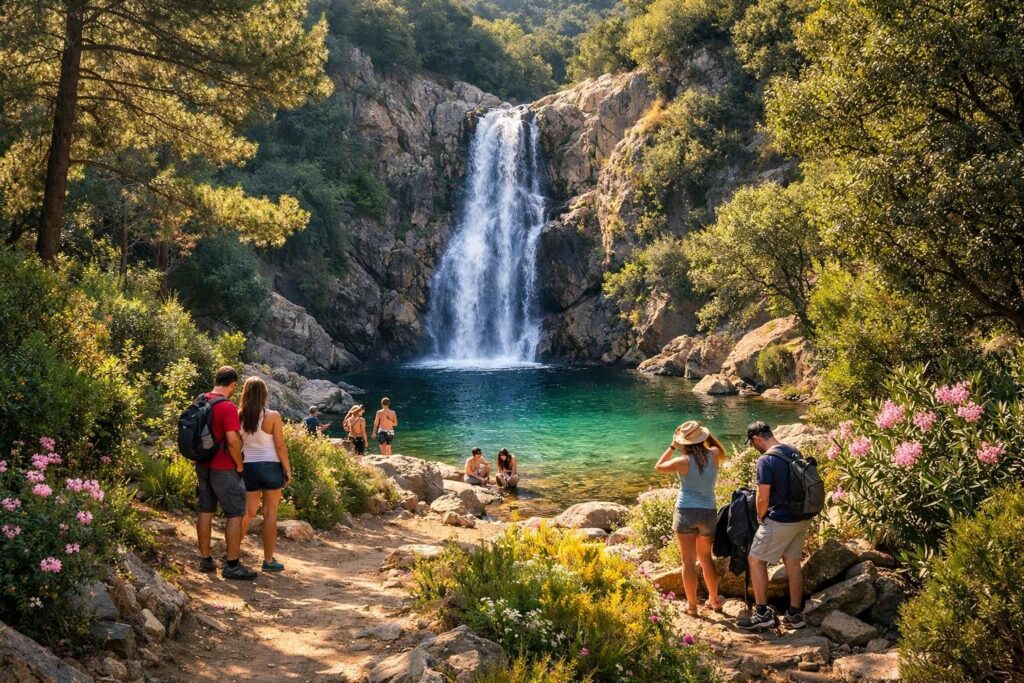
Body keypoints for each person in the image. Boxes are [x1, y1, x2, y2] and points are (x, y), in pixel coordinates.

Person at [738, 421, 810, 631]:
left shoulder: (766, 459)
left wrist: (761, 518)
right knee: (793, 563)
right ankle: (795, 615)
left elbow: (763, 497)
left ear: (757, 439)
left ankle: (761, 613)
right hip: (801, 518)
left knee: (755, 559)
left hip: (780, 519)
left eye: (752, 444)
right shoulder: (793, 451)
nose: (754, 448)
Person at [654, 420, 726, 617]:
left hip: (686, 511)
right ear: (702, 437)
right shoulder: (714, 454)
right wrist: (704, 433)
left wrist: (672, 446)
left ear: (683, 442)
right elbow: (714, 444)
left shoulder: (682, 462)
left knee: (688, 561)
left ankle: (692, 607)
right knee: (706, 558)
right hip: (708, 512)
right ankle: (714, 602)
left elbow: (659, 466)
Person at [195, 366, 257, 580]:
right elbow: (232, 440)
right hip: (224, 467)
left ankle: (205, 560)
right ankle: (232, 565)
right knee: (235, 513)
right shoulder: (228, 407)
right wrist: (239, 465)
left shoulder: (200, 399)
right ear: (232, 385)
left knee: (205, 510)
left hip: (203, 464)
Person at [236, 377, 292, 572]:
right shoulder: (272, 416)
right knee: (270, 514)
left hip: (249, 467)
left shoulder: (238, 415)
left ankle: (232, 555)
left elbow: (237, 444)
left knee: (248, 512)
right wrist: (287, 468)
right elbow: (280, 446)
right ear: (264, 394)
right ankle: (268, 561)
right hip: (270, 466)